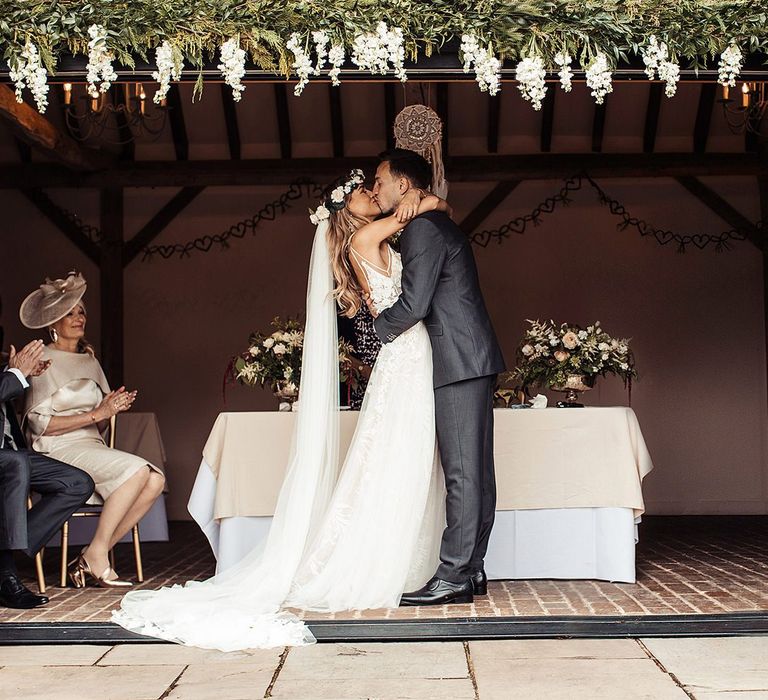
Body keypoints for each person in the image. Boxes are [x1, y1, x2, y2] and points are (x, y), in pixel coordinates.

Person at [111, 168, 453, 651]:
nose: (370, 193)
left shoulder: (368, 239)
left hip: (407, 354)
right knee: (399, 454)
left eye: (370, 186)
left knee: (401, 454)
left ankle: (405, 555)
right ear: (345, 215)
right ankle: (383, 559)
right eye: (360, 193)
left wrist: (422, 202)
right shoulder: (368, 236)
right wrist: (426, 199)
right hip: (407, 353)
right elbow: (426, 208)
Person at [371, 148, 505, 606]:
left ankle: (453, 574)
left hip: (459, 361)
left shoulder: (424, 229)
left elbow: (414, 304)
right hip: (470, 358)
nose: (376, 189)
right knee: (476, 472)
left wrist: (373, 330)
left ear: (403, 185)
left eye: (381, 180)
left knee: (464, 474)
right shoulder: (434, 221)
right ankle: (471, 570)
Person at [20, 272, 165, 588]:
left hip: (91, 445)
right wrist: (97, 413)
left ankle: (93, 553)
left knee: (155, 479)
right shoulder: (42, 359)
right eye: (70, 313)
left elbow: (99, 422)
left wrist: (110, 410)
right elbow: (39, 425)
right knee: (139, 471)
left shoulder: (90, 361)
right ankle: (95, 558)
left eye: (81, 311)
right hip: (56, 448)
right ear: (53, 323)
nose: (78, 317)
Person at [1, 339, 94, 609]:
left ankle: (6, 554)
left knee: (77, 483)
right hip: (10, 459)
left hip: (11, 452)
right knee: (16, 464)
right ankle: (6, 577)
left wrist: (16, 369)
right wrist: (16, 373)